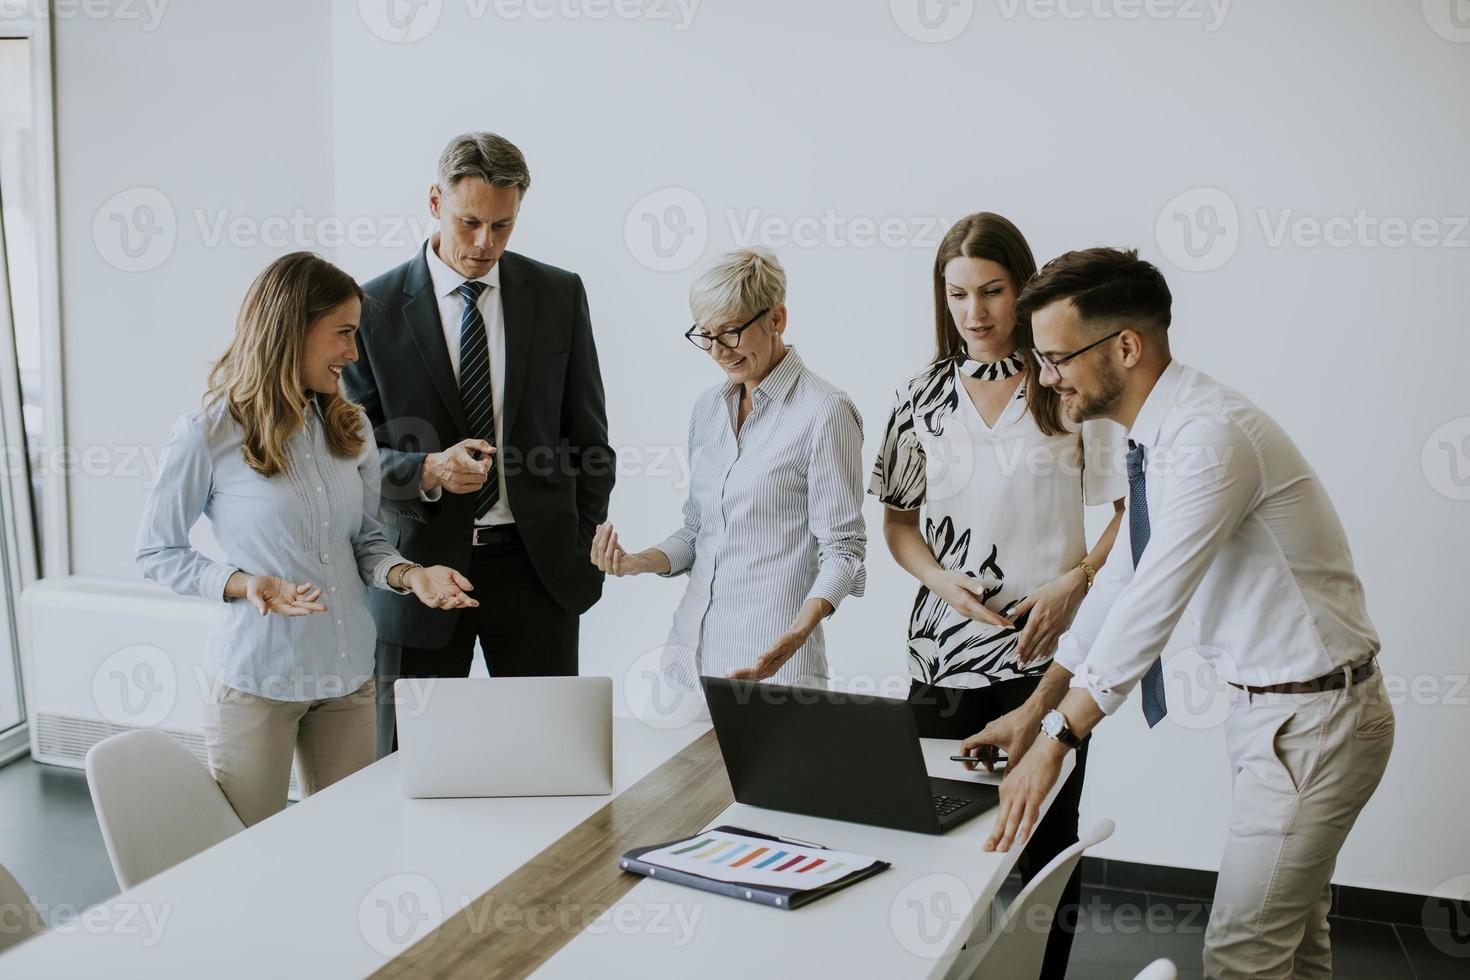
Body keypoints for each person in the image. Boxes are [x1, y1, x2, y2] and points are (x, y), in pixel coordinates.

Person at [967, 247, 1394, 980]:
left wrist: (1056, 739)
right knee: (1298, 948)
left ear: (1125, 347)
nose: (1047, 377)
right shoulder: (1158, 443)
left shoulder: (1208, 441)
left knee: (1244, 955)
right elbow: (1118, 587)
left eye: (1057, 357)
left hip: (1315, 724)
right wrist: (1037, 705)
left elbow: (1153, 604)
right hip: (1283, 717)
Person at [869, 213, 1126, 979]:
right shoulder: (918, 395)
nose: (974, 312)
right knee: (934, 849)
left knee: (1047, 851)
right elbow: (898, 523)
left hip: (1047, 659)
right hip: (940, 659)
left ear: (1023, 290)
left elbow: (1128, 513)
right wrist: (936, 576)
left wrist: (1073, 584)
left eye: (992, 291)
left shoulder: (1067, 388)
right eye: (957, 295)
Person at [137, 252, 477, 826]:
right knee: (250, 853)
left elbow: (366, 540)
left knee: (349, 845)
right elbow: (156, 552)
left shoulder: (350, 425)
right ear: (292, 328)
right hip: (258, 682)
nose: (353, 351)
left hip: (347, 678)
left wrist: (411, 575)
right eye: (343, 334)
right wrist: (243, 584)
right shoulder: (208, 432)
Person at [342, 132, 615, 754]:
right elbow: (347, 458)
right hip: (421, 576)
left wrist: (576, 545)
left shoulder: (557, 294)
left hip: (537, 570)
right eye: (469, 222)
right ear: (435, 201)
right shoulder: (370, 307)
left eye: (502, 225)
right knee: (409, 769)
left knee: (552, 762)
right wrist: (427, 470)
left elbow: (590, 442)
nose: (484, 243)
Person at [589, 247, 866, 688]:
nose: (717, 351)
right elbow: (698, 532)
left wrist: (798, 634)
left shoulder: (824, 412)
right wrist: (637, 562)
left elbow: (845, 550)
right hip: (689, 660)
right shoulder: (708, 409)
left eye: (731, 332)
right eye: (705, 335)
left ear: (777, 318)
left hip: (774, 668)